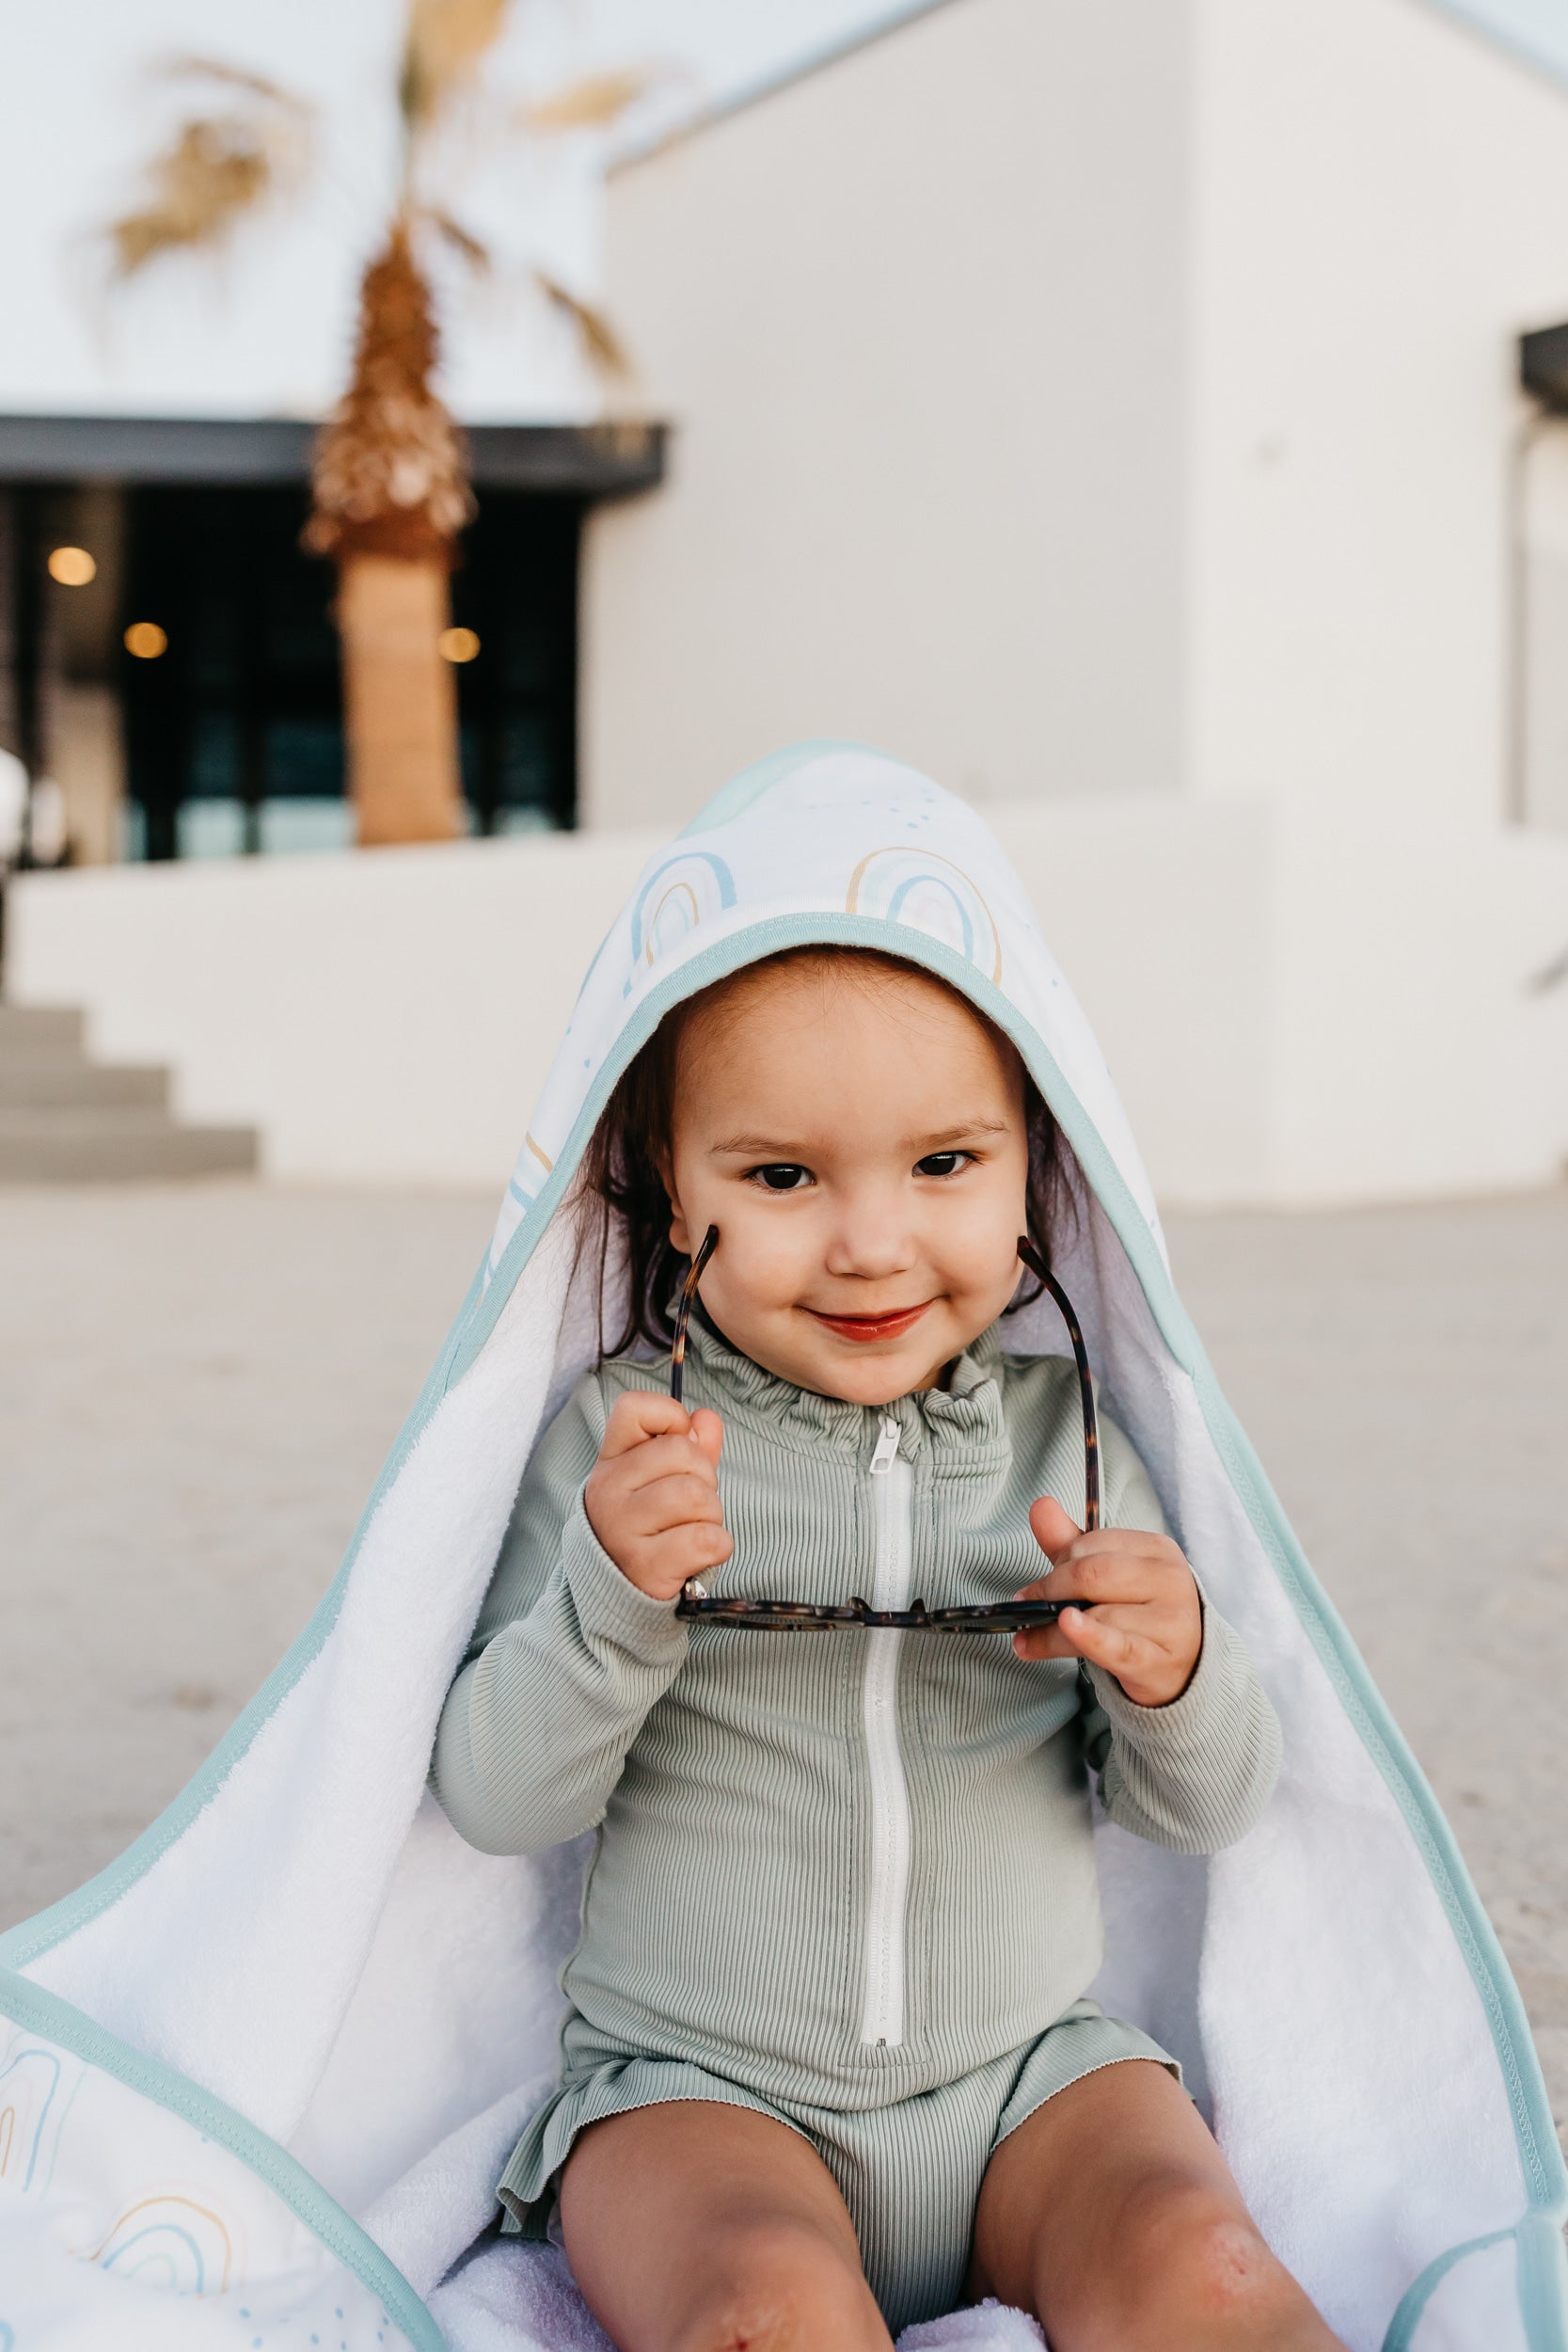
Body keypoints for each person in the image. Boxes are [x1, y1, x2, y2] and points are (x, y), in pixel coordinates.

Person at [431, 944, 1342, 2351]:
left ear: (1039, 1168)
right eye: (782, 1176)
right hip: (698, 2096)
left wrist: (1175, 1673)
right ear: (673, 1192)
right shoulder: (626, 1450)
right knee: (764, 2314)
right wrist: (607, 1598)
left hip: (1032, 2085)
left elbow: (1205, 1810)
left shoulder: (1072, 1449)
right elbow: (499, 1801)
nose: (870, 1243)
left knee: (1209, 2269)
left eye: (945, 1164)